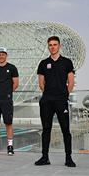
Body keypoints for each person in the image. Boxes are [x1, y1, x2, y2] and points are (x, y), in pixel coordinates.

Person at [35, 36, 76, 167]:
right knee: (46, 129)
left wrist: (64, 95)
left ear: (59, 46)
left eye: (55, 44)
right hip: (47, 101)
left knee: (66, 130)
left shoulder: (67, 62)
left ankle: (68, 158)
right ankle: (45, 157)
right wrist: (48, 94)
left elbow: (71, 82)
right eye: (50, 45)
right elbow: (41, 83)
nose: (52, 47)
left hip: (61, 100)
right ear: (48, 47)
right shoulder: (43, 63)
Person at [0, 47, 19, 155]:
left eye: (3, 54)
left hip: (7, 100)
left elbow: (16, 84)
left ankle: (10, 146)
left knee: (8, 123)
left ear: (6, 55)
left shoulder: (12, 68)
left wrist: (8, 93)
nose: (1, 56)